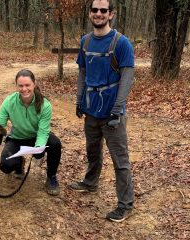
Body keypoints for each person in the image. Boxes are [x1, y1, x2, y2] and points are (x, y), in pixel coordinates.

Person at [68, 0, 134, 222]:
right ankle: (90, 183)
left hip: (112, 113)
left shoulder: (121, 43)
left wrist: (117, 109)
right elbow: (82, 73)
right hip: (91, 110)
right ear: (90, 14)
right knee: (92, 151)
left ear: (111, 14)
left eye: (103, 10)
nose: (98, 14)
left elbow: (127, 78)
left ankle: (125, 205)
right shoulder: (85, 41)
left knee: (120, 160)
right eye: (94, 10)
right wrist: (79, 100)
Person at [0, 69, 61, 196]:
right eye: (21, 86)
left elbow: (43, 131)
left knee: (55, 143)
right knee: (5, 166)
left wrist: (38, 148)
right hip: (17, 138)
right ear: (16, 86)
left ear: (34, 84)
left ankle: (51, 177)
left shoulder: (45, 105)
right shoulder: (9, 101)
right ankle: (19, 164)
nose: (24, 89)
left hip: (36, 138)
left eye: (27, 85)